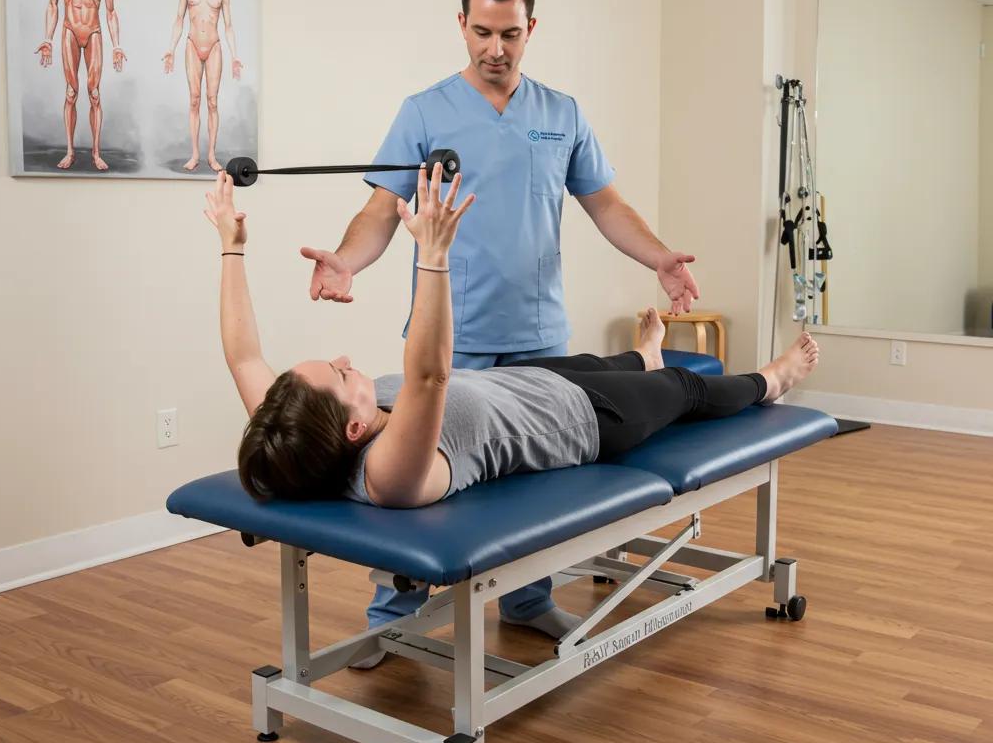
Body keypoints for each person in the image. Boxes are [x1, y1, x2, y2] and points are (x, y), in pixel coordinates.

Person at [204, 166, 820, 635]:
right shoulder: (392, 473)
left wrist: (231, 245)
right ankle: (772, 379)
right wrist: (434, 256)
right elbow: (428, 378)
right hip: (584, 419)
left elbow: (243, 358)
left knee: (606, 361)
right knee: (684, 388)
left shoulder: (298, 433)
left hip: (525, 381)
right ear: (357, 428)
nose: (343, 360)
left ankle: (645, 358)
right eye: (341, 377)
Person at [298, 0, 703, 649]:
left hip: (539, 334)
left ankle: (526, 600)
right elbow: (381, 210)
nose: (495, 48)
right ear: (461, 25)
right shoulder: (424, 112)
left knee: (535, 488)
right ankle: (391, 621)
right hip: (448, 339)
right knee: (412, 483)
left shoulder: (562, 113)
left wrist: (659, 256)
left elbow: (605, 204)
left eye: (510, 34)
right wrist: (345, 259)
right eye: (482, 31)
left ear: (530, 28)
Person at [35, 0, 127, 172]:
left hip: (94, 31)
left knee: (94, 93)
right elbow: (53, 4)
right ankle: (70, 151)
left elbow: (110, 11)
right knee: (71, 92)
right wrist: (47, 38)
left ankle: (96, 153)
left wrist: (117, 45)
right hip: (70, 31)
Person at [163, 0, 243, 172]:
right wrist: (171, 48)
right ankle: (195, 154)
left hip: (215, 46)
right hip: (192, 45)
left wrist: (235, 55)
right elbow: (179, 19)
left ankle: (211, 155)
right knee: (195, 99)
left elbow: (228, 26)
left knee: (212, 101)